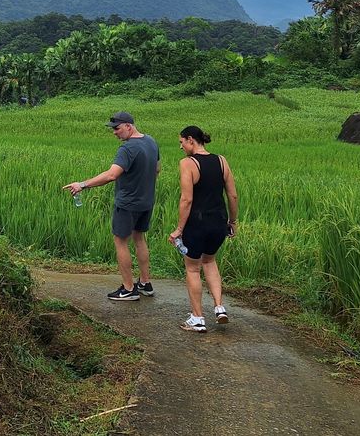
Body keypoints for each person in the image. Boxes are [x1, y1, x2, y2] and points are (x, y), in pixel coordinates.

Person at [65, 111, 161, 301]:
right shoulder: (151, 141)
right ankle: (145, 283)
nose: (115, 133)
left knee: (120, 241)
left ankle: (128, 289)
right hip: (146, 201)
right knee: (139, 238)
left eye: (117, 128)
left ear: (128, 126)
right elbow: (157, 169)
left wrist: (82, 184)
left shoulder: (127, 149)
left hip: (127, 203)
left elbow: (111, 175)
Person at [168, 125, 239, 332]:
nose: (181, 147)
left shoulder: (188, 163)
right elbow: (232, 195)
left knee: (192, 268)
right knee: (210, 261)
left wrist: (179, 229)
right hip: (219, 221)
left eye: (182, 142)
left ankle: (198, 318)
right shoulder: (221, 160)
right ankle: (219, 307)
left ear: (191, 140)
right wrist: (232, 222)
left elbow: (187, 199)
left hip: (197, 223)